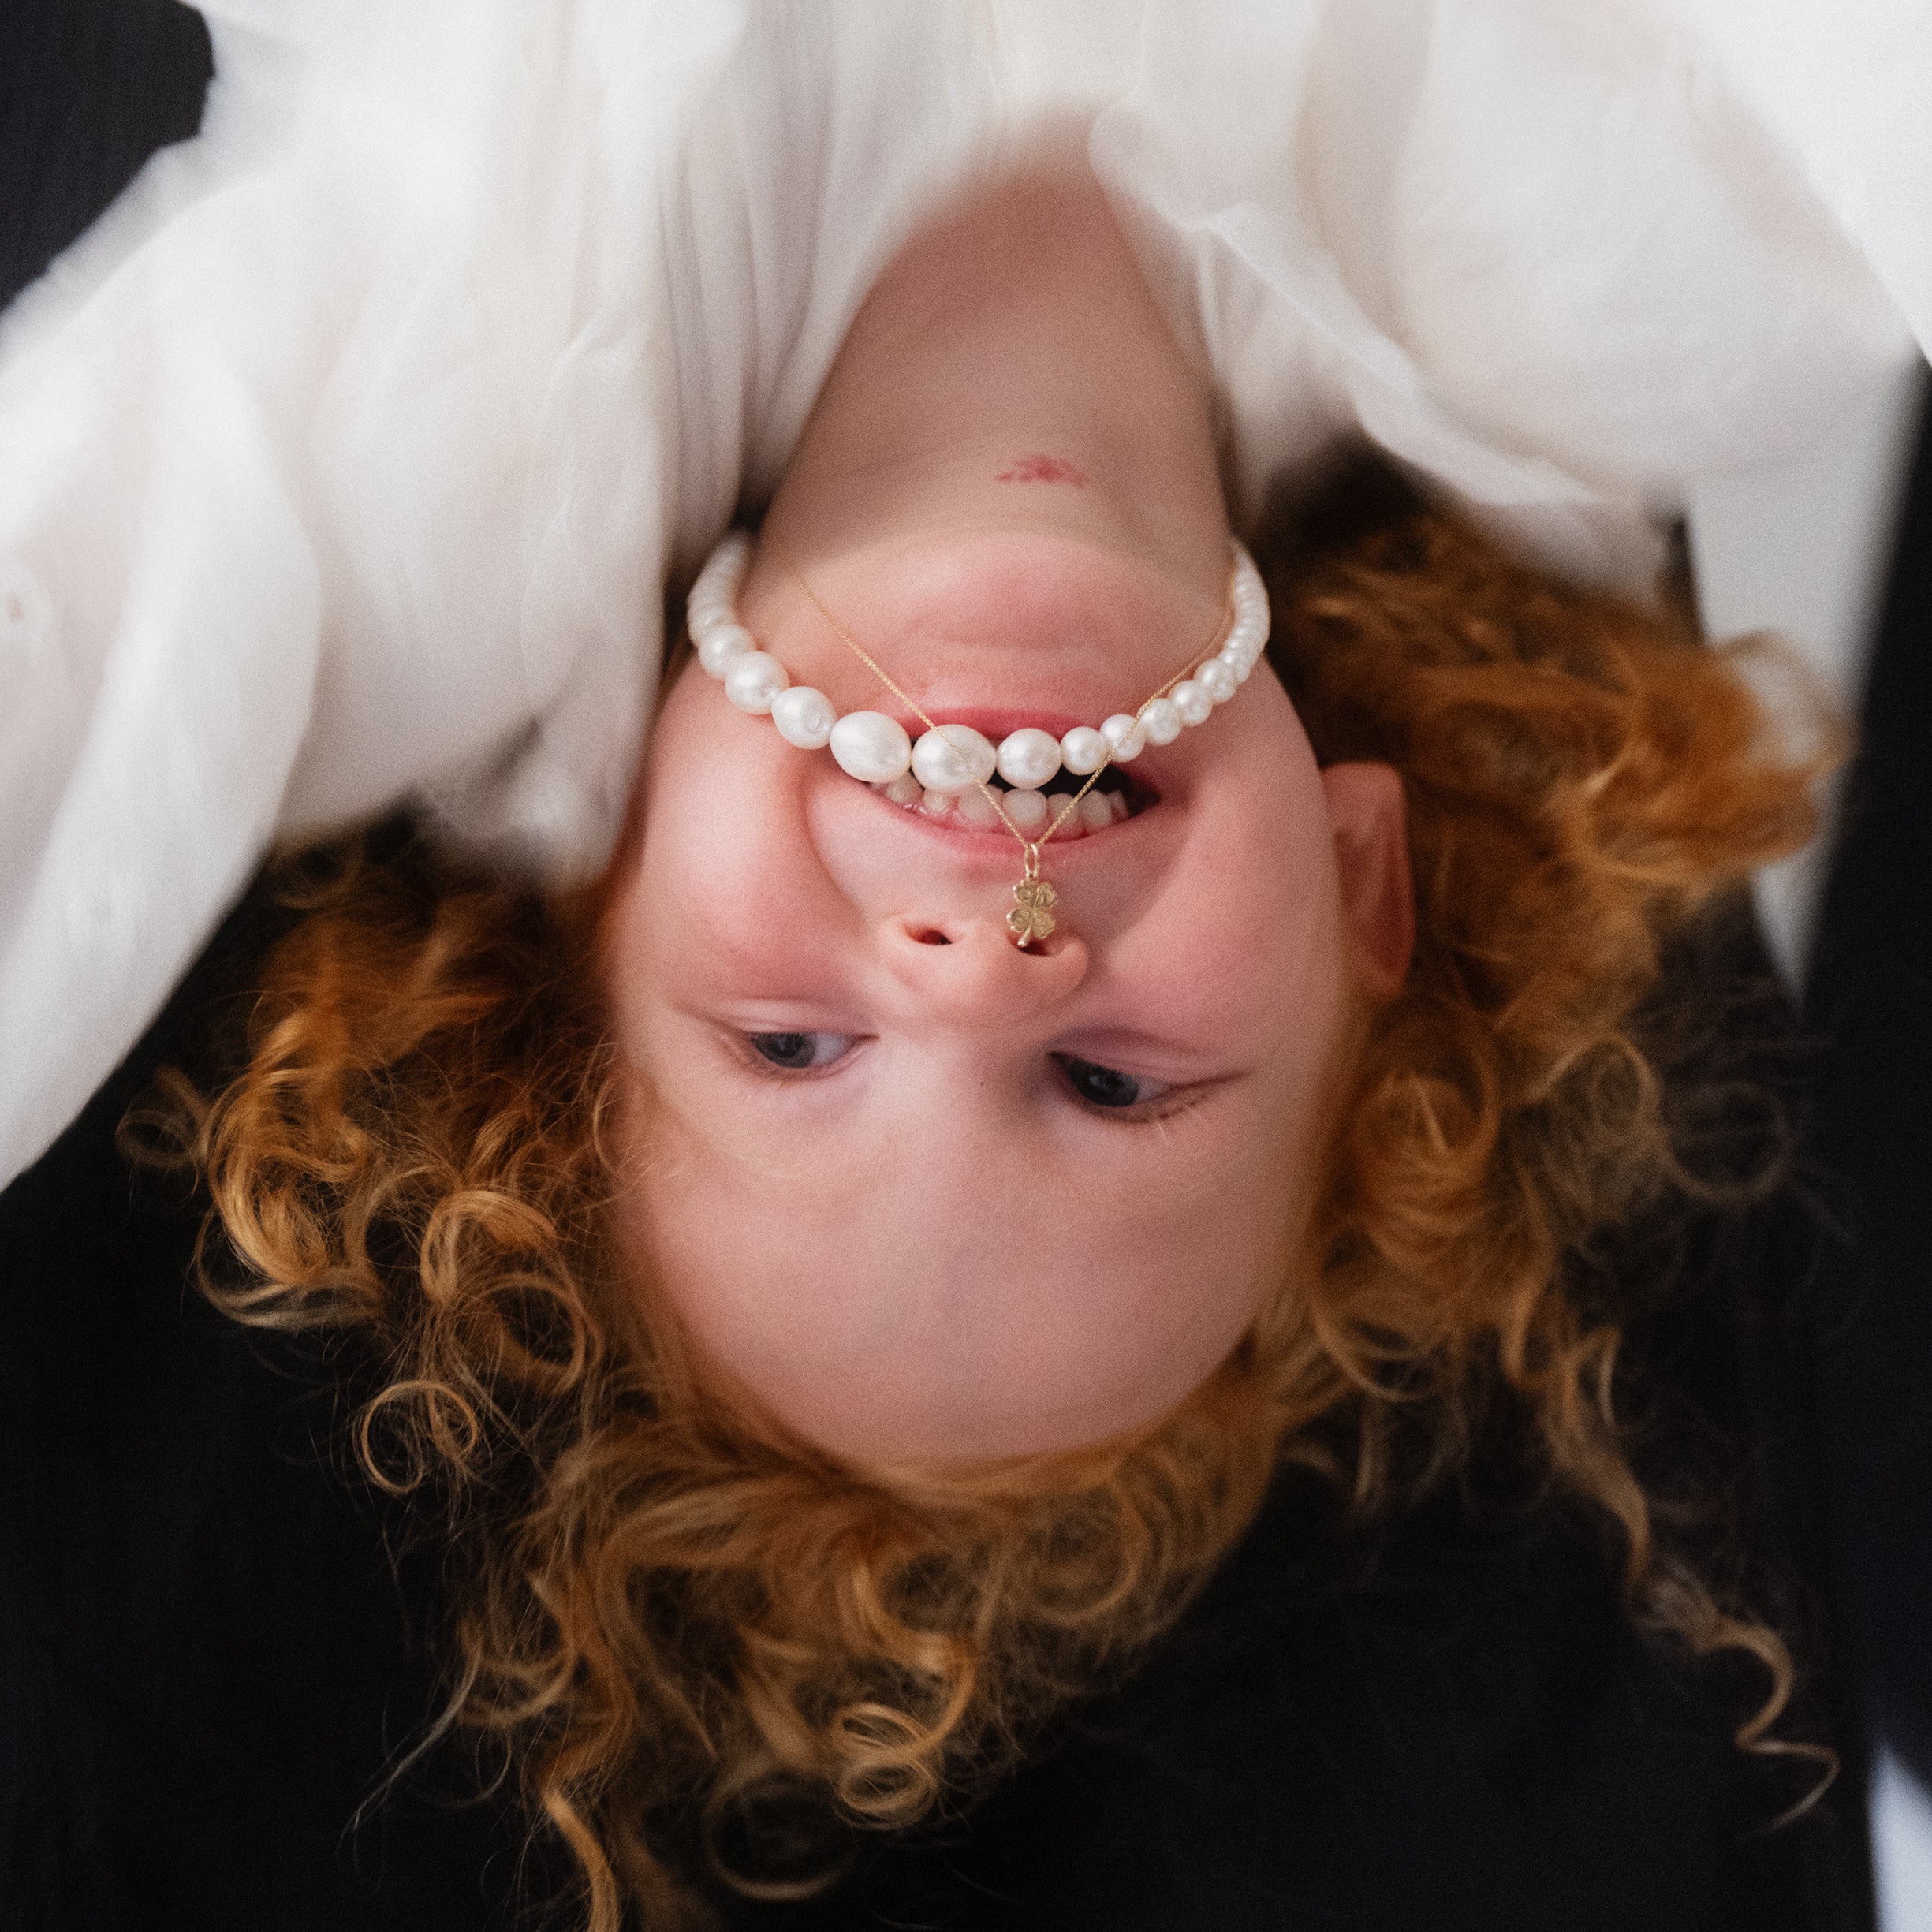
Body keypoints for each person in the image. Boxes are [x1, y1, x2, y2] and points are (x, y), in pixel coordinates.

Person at [2, 4, 1925, 1928]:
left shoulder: (449, 434)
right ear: (1360, 894)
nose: (971, 976)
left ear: (601, 881)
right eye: (1111, 1087)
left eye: (790, 1045)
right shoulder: (1568, 296)